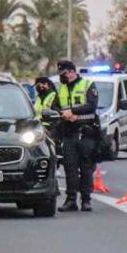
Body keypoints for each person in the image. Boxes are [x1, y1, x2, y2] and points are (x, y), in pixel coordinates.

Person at [53, 60, 99, 212]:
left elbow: (91, 105)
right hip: (68, 132)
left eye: (64, 74)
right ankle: (71, 199)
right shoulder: (62, 88)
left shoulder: (88, 84)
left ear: (72, 72)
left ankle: (86, 200)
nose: (63, 77)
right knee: (70, 167)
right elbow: (55, 106)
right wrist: (63, 114)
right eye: (61, 74)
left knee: (86, 167)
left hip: (85, 132)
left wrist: (73, 112)